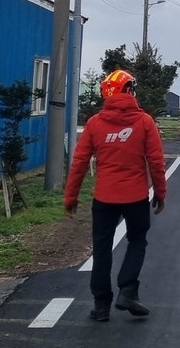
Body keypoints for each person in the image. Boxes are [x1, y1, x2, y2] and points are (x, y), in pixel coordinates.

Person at [64, 69, 167, 320]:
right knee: (137, 241)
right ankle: (128, 289)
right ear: (128, 90)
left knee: (102, 249)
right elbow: (156, 160)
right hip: (135, 197)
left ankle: (101, 306)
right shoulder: (144, 122)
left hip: (104, 197)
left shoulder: (95, 123)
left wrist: (71, 197)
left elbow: (79, 162)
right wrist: (160, 193)